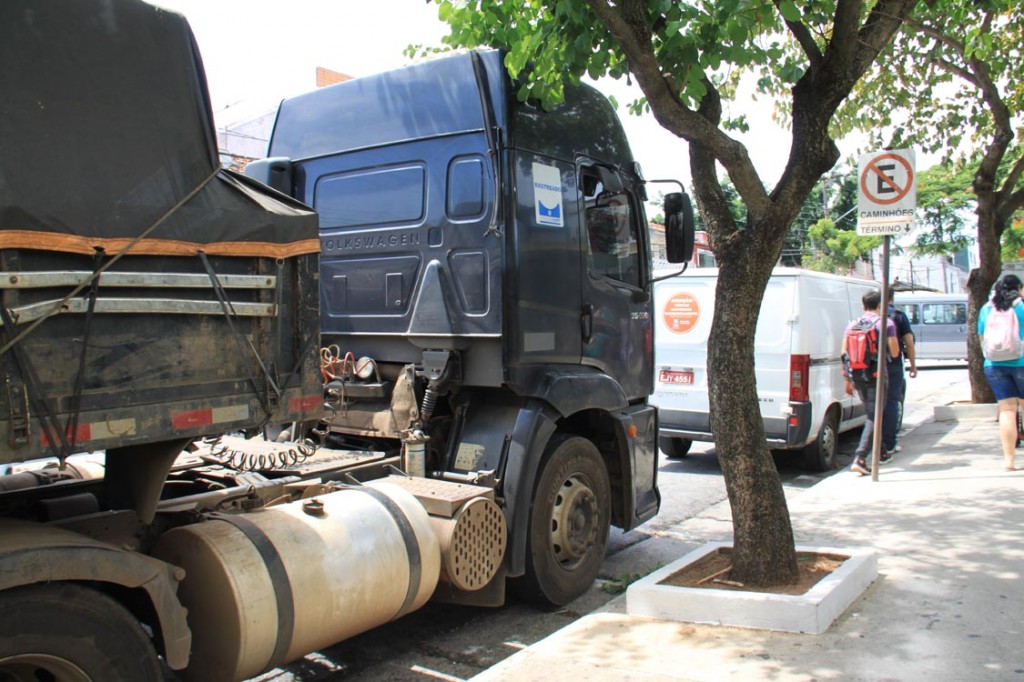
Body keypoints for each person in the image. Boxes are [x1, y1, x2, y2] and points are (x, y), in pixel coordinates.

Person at [843, 290, 900, 475]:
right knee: (874, 416)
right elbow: (894, 352)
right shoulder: (886, 323)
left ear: (862, 305)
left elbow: (844, 354)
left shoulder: (852, 325)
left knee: (872, 413)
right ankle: (860, 457)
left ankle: (881, 452)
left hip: (857, 376)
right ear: (880, 305)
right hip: (876, 375)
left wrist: (847, 379)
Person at [977, 273, 1024, 471]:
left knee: (1007, 410)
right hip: (1021, 362)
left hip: (994, 364)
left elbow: (981, 338)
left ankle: (1009, 461)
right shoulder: (1021, 307)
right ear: (1018, 288)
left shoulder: (986, 309)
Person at [884, 288, 918, 454]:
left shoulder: (869, 317)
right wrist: (913, 365)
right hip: (893, 365)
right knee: (892, 403)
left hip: (870, 367)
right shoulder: (898, 316)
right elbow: (909, 342)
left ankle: (871, 445)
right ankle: (889, 443)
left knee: (875, 405)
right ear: (892, 297)